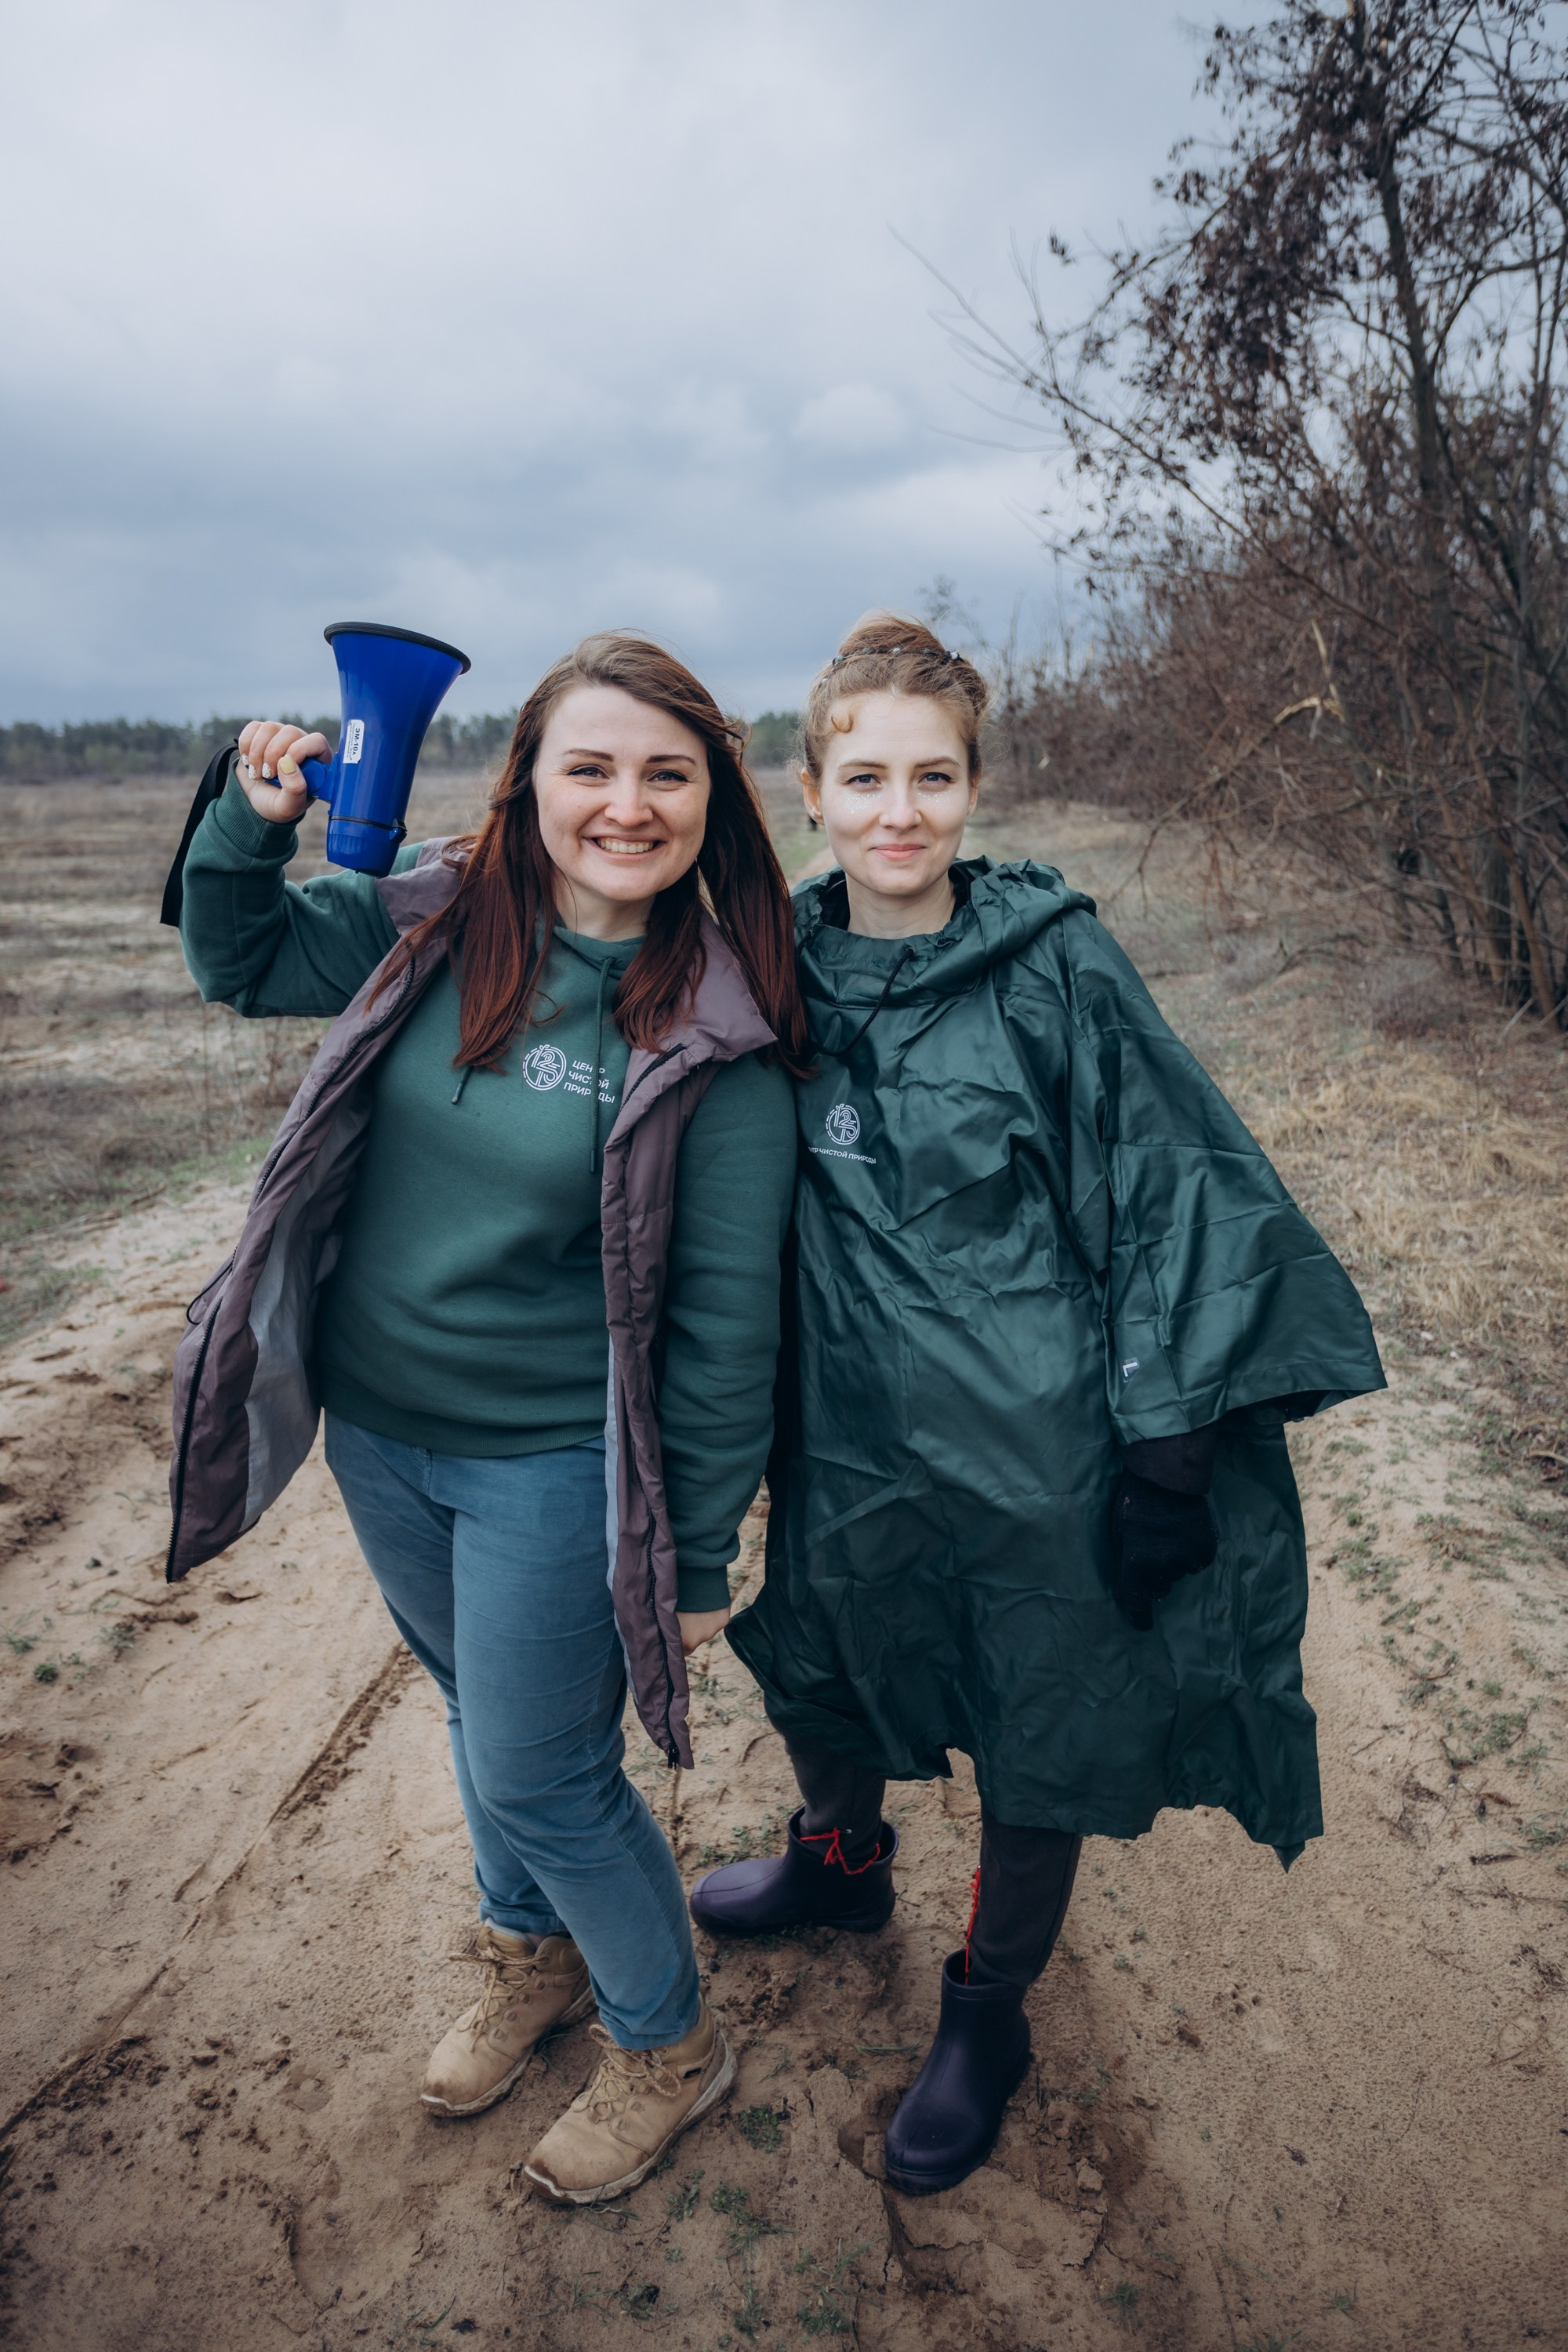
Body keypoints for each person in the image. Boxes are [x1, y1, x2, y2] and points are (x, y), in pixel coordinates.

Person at [692, 614, 1385, 2197]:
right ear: (809, 788)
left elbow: (1171, 1190)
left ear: (973, 788)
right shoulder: (765, 972)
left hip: (1038, 1448)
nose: (898, 811)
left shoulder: (1053, 962)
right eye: (863, 776)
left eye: (931, 777)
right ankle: (839, 1857)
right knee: (819, 1645)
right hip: (844, 1433)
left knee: (1039, 1715)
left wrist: (1166, 1448)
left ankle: (987, 2013)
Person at [169, 633, 810, 2205]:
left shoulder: (719, 1045)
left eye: (666, 774)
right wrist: (249, 819)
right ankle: (531, 1961)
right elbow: (235, 956)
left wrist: (701, 1552)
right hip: (382, 1436)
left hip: (553, 1463)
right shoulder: (438, 930)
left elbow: (729, 1335)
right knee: (482, 1716)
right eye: (588, 766)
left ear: (710, 803)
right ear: (525, 785)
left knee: (542, 1776)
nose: (625, 802)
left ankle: (663, 2040)